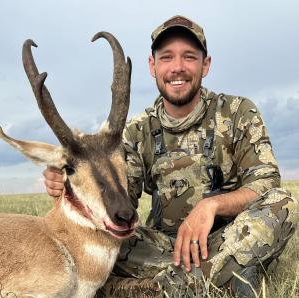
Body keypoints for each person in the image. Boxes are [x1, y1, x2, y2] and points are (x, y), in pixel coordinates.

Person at [44, 16, 299, 297]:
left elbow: (265, 182)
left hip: (231, 239)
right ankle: (223, 279)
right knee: (103, 231)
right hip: (164, 249)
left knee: (283, 204)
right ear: (153, 67)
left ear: (206, 64)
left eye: (189, 57)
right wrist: (70, 185)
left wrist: (211, 206)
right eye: (166, 57)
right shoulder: (137, 130)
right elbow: (120, 200)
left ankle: (165, 287)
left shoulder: (238, 112)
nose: (178, 67)